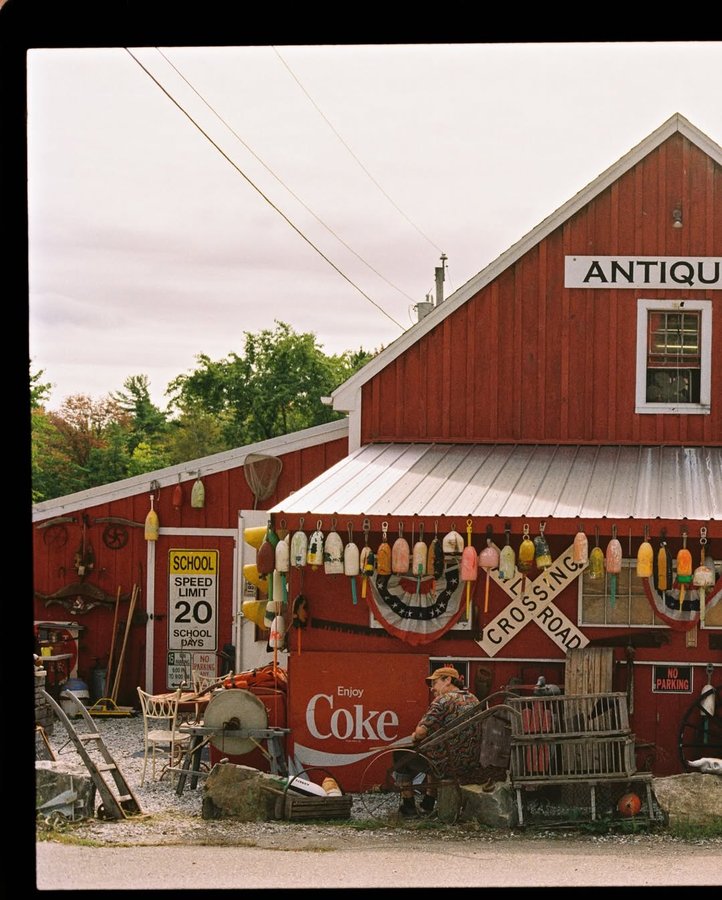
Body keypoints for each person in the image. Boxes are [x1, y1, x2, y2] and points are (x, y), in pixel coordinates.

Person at [394, 666, 480, 817]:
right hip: (470, 761)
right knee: (432, 749)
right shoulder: (473, 699)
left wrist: (414, 736)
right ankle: (428, 802)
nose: (432, 688)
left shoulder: (442, 700)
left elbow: (421, 732)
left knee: (400, 755)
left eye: (434, 683)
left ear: (447, 680)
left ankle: (408, 807)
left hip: (446, 763)